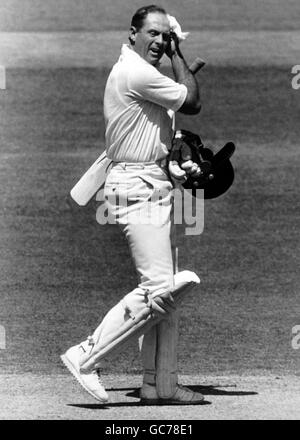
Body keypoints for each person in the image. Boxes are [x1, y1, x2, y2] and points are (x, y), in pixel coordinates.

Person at [61, 4, 204, 405]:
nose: (159, 41)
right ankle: (85, 354)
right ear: (133, 34)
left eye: (165, 36)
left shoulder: (143, 76)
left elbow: (152, 138)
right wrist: (179, 56)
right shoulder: (138, 73)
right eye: (154, 34)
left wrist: (177, 164)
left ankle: (160, 384)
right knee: (159, 289)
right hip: (137, 189)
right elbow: (192, 101)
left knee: (166, 293)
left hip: (150, 182)